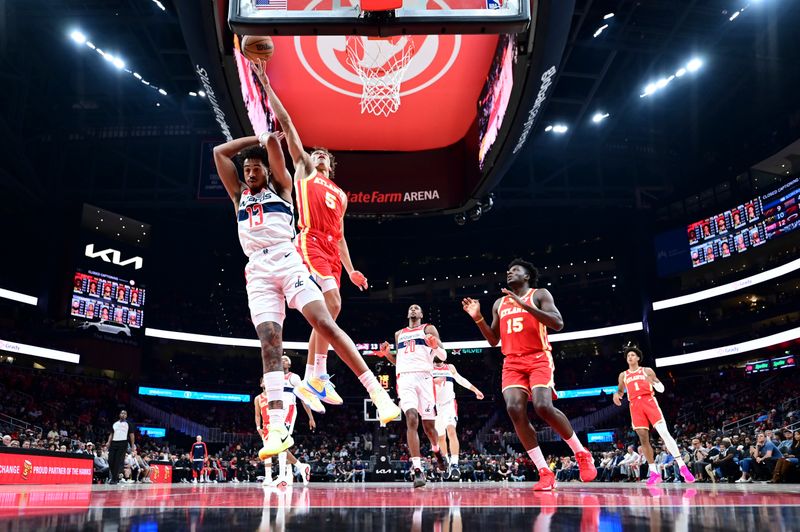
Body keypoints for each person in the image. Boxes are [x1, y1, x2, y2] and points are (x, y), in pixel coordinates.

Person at [212, 125, 400, 460]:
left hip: (288, 260)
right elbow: (219, 153)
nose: (251, 172)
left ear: (268, 170)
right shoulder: (240, 195)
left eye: (256, 167)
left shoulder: (283, 188)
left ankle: (377, 393)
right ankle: (276, 429)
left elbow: (272, 143)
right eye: (247, 169)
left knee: (325, 321)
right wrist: (253, 142)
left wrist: (266, 139)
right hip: (257, 271)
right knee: (270, 345)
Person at [252, 60, 368, 413]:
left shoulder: (341, 194)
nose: (317, 154)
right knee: (330, 306)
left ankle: (315, 376)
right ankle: (314, 375)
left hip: (331, 250)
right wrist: (267, 84)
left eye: (323, 155)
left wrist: (351, 270)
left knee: (332, 309)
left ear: (330, 164)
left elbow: (342, 235)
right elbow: (286, 123)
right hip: (308, 240)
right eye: (315, 152)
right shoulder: (303, 170)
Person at [462, 259, 596, 491]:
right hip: (512, 362)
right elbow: (494, 340)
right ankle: (544, 471)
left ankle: (581, 452)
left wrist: (524, 305)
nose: (509, 273)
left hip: (538, 358)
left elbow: (558, 323)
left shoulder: (540, 294)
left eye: (515, 270)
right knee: (514, 410)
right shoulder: (499, 303)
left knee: (543, 406)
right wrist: (477, 318)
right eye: (507, 270)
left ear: (527, 276)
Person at [378, 304, 449, 488]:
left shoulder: (428, 328)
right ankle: (417, 470)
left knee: (429, 429)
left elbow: (443, 354)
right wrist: (387, 355)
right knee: (411, 418)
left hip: (425, 378)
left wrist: (435, 347)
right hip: (405, 379)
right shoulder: (398, 334)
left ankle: (437, 451)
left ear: (421, 314)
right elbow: (399, 362)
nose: (413, 310)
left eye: (417, 308)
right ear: (407, 313)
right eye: (410, 308)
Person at [613, 347, 695, 485]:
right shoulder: (623, 375)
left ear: (638, 358)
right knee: (643, 439)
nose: (630, 357)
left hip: (649, 401)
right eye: (628, 356)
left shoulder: (647, 370)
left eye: (633, 355)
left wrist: (653, 382)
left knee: (664, 433)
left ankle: (682, 467)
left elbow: (661, 389)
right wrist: (617, 395)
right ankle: (654, 473)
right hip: (634, 405)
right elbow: (620, 391)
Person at [254, 356, 313, 487]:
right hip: (278, 412)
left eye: (286, 359)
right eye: (281, 359)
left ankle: (283, 476)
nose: (283, 360)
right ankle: (298, 468)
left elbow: (303, 397)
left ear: (290, 364)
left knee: (281, 443)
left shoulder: (294, 377)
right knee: (280, 444)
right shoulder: (275, 378)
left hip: (289, 411)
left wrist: (310, 416)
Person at [431, 357, 484, 479]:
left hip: (449, 405)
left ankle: (454, 464)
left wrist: (475, 390)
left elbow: (460, 379)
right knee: (441, 437)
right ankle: (446, 462)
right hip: (435, 406)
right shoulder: (428, 367)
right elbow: (421, 383)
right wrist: (433, 382)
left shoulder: (450, 367)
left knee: (451, 431)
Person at [105, 410, 135, 485]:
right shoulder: (115, 424)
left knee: (118, 462)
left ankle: (114, 479)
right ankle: (115, 477)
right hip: (114, 443)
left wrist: (132, 446)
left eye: (125, 413)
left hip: (123, 443)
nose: (123, 414)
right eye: (122, 413)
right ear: (119, 414)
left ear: (126, 416)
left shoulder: (129, 424)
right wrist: (108, 442)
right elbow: (111, 434)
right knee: (110, 460)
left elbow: (132, 435)